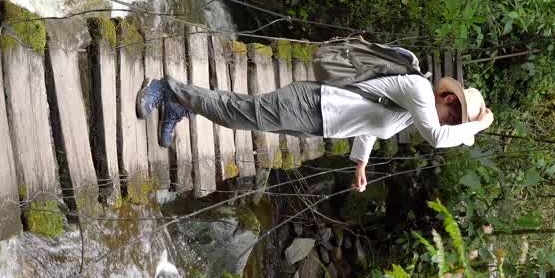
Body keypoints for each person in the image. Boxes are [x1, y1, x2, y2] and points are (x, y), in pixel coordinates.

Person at [136, 71, 494, 192]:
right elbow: (436, 138)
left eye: (454, 122)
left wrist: (360, 164)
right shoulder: (419, 90)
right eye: (453, 114)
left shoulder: (414, 114)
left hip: (317, 121)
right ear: (447, 96)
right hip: (312, 102)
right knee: (238, 113)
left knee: (240, 115)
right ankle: (167, 88)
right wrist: (476, 127)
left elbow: (371, 124)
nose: (449, 122)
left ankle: (181, 105)